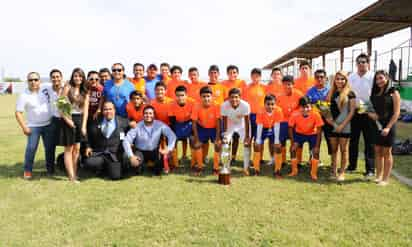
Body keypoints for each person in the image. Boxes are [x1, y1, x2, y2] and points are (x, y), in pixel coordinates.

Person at [15, 72, 54, 179]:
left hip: (48, 125)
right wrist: (24, 127)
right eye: (30, 80)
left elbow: (59, 84)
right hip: (33, 127)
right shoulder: (23, 95)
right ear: (27, 82)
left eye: (36, 79)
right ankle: (27, 170)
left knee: (50, 149)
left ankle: (50, 169)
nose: (33, 82)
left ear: (40, 81)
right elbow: (18, 112)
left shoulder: (45, 89)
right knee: (31, 149)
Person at [123, 105, 177, 176]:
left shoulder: (160, 125)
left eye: (150, 113)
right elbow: (126, 140)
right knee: (136, 170)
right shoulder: (137, 126)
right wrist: (131, 156)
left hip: (154, 151)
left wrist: (168, 149)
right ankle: (142, 165)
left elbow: (172, 135)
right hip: (140, 151)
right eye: (146, 113)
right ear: (143, 115)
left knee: (158, 171)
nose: (148, 115)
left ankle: (152, 165)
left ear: (154, 115)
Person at [368, 70, 400, 186]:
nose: (379, 81)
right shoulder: (374, 93)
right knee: (377, 151)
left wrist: (388, 127)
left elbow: (396, 113)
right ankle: (378, 176)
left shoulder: (394, 93)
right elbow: (369, 109)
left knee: (387, 152)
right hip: (375, 126)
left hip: (388, 126)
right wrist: (370, 114)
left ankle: (385, 179)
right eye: (377, 79)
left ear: (387, 79)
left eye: (381, 78)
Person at [82, 101, 130, 180]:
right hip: (100, 153)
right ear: (102, 111)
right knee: (89, 163)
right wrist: (88, 146)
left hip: (114, 155)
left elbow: (131, 134)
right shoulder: (95, 121)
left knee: (116, 176)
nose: (108, 112)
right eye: (105, 109)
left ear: (114, 110)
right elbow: (88, 135)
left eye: (110, 109)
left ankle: (111, 168)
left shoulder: (124, 122)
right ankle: (102, 169)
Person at [60, 68, 89, 183]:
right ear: (72, 77)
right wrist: (68, 120)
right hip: (69, 119)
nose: (78, 78)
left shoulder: (85, 91)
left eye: (80, 76)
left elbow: (86, 111)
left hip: (80, 119)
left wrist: (84, 126)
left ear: (83, 78)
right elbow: (60, 105)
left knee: (77, 149)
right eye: (76, 76)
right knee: (69, 148)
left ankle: (75, 173)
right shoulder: (67, 87)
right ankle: (71, 177)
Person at [348, 53, 375, 178]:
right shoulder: (351, 77)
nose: (361, 64)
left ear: (368, 63)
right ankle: (352, 166)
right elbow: (348, 93)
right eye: (359, 62)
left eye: (363, 62)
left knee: (369, 141)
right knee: (353, 140)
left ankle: (370, 169)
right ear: (356, 64)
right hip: (355, 110)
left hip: (368, 109)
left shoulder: (373, 76)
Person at [325, 71, 356, 181]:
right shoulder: (330, 92)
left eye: (342, 79)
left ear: (346, 80)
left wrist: (342, 125)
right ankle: (333, 171)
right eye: (337, 79)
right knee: (334, 150)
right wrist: (333, 123)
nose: (340, 81)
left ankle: (342, 172)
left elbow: (352, 112)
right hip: (332, 126)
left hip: (345, 125)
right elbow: (326, 110)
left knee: (344, 150)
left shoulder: (350, 93)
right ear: (334, 80)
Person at [288, 96, 324, 181]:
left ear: (311, 106)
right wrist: (293, 143)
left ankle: (313, 173)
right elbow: (290, 128)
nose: (305, 109)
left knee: (315, 152)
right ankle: (294, 170)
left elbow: (319, 131)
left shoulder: (315, 114)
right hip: (299, 134)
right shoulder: (295, 114)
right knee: (293, 149)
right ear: (299, 107)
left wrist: (317, 146)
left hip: (312, 134)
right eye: (302, 107)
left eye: (307, 107)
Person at [191, 86, 222, 175]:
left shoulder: (216, 105)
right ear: (200, 97)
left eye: (208, 96)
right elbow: (194, 123)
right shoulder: (196, 106)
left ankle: (216, 168)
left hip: (214, 129)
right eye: (204, 96)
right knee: (196, 144)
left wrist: (217, 138)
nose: (206, 98)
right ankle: (199, 167)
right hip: (203, 129)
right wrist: (196, 139)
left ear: (212, 97)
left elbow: (218, 122)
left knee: (218, 145)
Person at [252, 95, 284, 177]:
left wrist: (277, 140)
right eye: (268, 104)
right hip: (262, 129)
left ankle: (277, 170)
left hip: (273, 128)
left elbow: (277, 125)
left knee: (278, 146)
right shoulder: (260, 111)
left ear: (275, 104)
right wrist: (258, 139)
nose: (270, 106)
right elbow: (259, 125)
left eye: (272, 104)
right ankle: (256, 169)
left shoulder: (278, 110)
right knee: (256, 145)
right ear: (264, 104)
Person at [221, 88, 251, 175]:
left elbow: (247, 121)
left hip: (242, 125)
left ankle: (246, 168)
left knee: (246, 144)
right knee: (225, 143)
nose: (234, 99)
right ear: (228, 98)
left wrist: (247, 136)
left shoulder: (245, 105)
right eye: (232, 97)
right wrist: (225, 135)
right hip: (230, 124)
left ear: (240, 97)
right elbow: (224, 121)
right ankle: (226, 167)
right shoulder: (224, 105)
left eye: (236, 97)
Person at [221, 65, 247, 163]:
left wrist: (241, 111)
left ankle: (233, 157)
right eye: (230, 72)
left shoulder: (242, 83)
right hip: (228, 113)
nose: (232, 74)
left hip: (239, 113)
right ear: (227, 73)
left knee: (236, 136)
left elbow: (244, 97)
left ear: (237, 73)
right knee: (228, 136)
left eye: (234, 72)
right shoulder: (223, 83)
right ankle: (226, 157)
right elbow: (224, 99)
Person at [276, 75, 303, 165]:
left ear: (293, 84)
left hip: (296, 123)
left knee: (296, 142)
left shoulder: (299, 94)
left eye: (289, 84)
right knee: (282, 141)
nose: (287, 86)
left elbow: (303, 107)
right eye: (284, 84)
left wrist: (296, 116)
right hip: (283, 122)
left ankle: (297, 161)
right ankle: (283, 160)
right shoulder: (279, 96)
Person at [243, 68, 267, 162]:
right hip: (250, 116)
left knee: (259, 138)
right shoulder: (246, 88)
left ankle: (259, 159)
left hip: (261, 116)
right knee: (249, 138)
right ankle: (247, 159)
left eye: (257, 76)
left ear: (260, 77)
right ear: (251, 76)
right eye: (253, 75)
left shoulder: (264, 88)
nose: (255, 77)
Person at [307, 69, 332, 158]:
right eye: (317, 77)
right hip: (315, 119)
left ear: (326, 78)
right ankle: (313, 158)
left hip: (328, 119)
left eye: (322, 77)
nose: (319, 79)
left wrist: (317, 104)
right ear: (314, 78)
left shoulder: (330, 90)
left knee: (330, 139)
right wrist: (322, 104)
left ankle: (333, 160)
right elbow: (308, 105)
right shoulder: (310, 91)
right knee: (314, 139)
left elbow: (331, 105)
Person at [168, 86, 195, 169]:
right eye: (178, 95)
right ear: (175, 96)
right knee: (173, 140)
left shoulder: (192, 103)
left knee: (192, 139)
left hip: (189, 123)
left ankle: (194, 163)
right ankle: (175, 163)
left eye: (182, 95)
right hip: (177, 124)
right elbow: (172, 121)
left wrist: (193, 133)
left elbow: (194, 119)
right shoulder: (171, 104)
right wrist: (173, 135)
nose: (180, 98)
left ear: (186, 95)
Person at [49, 69, 64, 173]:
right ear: (51, 79)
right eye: (53, 77)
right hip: (54, 120)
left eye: (57, 76)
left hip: (66, 119)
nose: (55, 79)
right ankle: (50, 168)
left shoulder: (67, 88)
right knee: (51, 145)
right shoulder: (47, 89)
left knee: (69, 145)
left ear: (61, 77)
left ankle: (72, 166)